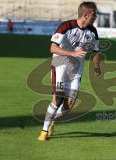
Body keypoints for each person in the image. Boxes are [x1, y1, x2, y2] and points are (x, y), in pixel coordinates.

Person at [38, 1, 101, 141]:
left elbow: (96, 51)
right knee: (58, 99)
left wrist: (96, 66)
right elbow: (53, 48)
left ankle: (52, 120)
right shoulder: (66, 26)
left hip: (75, 71)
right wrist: (71, 53)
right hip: (59, 67)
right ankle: (44, 131)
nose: (95, 17)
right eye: (94, 14)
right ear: (85, 15)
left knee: (69, 105)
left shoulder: (93, 31)